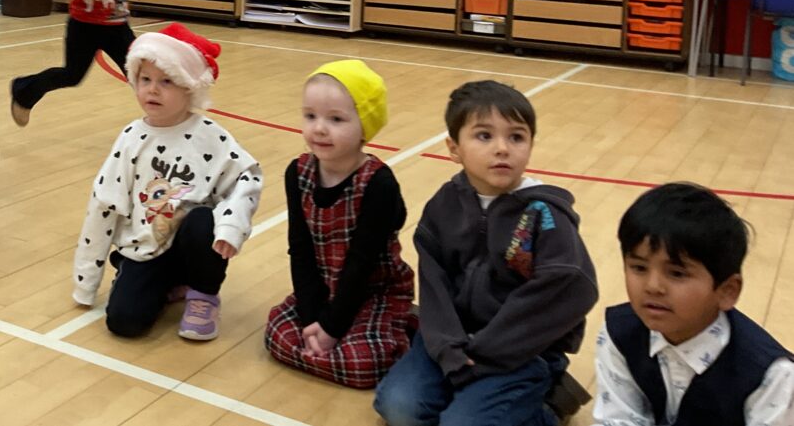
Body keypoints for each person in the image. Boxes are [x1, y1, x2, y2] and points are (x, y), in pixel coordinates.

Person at [375, 80, 598, 426]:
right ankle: (473, 396)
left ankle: (550, 406)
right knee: (400, 408)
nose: (502, 148)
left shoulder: (544, 214)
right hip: (452, 341)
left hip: (520, 351)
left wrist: (486, 352)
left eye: (516, 137)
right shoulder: (443, 205)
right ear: (454, 148)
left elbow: (571, 287)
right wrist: (447, 347)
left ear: (531, 145)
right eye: (484, 136)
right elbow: (434, 285)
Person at [72, 23, 262, 341]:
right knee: (123, 323)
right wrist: (86, 280)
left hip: (193, 246)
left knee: (202, 220)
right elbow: (103, 203)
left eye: (166, 81)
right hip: (145, 249)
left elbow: (248, 176)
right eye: (145, 79)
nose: (152, 90)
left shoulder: (209, 136)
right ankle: (164, 285)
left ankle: (203, 295)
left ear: (190, 87)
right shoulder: (131, 139)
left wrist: (232, 225)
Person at [264, 60, 415, 388]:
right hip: (323, 288)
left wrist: (331, 328)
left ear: (365, 127)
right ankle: (336, 339)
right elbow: (300, 250)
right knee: (277, 332)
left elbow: (362, 264)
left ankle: (403, 323)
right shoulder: (297, 173)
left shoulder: (378, 183)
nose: (319, 128)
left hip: (372, 290)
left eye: (336, 119)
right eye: (310, 116)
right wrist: (312, 318)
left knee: (364, 363)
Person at [592, 182, 794, 426]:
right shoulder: (618, 333)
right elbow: (617, 419)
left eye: (677, 273)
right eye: (639, 268)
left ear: (727, 291)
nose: (653, 286)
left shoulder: (771, 375)